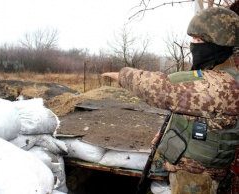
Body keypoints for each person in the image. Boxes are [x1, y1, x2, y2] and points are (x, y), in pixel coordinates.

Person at [102, 7, 239, 194]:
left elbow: (163, 89)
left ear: (218, 44)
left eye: (199, 40)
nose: (193, 45)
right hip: (195, 174)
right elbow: (190, 111)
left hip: (198, 181)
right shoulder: (221, 76)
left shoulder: (223, 84)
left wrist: (124, 76)